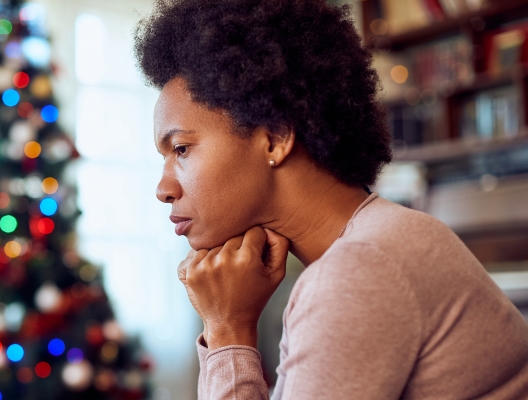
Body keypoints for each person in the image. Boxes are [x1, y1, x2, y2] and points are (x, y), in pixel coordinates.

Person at [133, 0, 528, 398]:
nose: (163, 188)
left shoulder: (359, 271)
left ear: (274, 137)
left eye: (181, 149)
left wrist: (227, 331)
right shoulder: (376, 243)